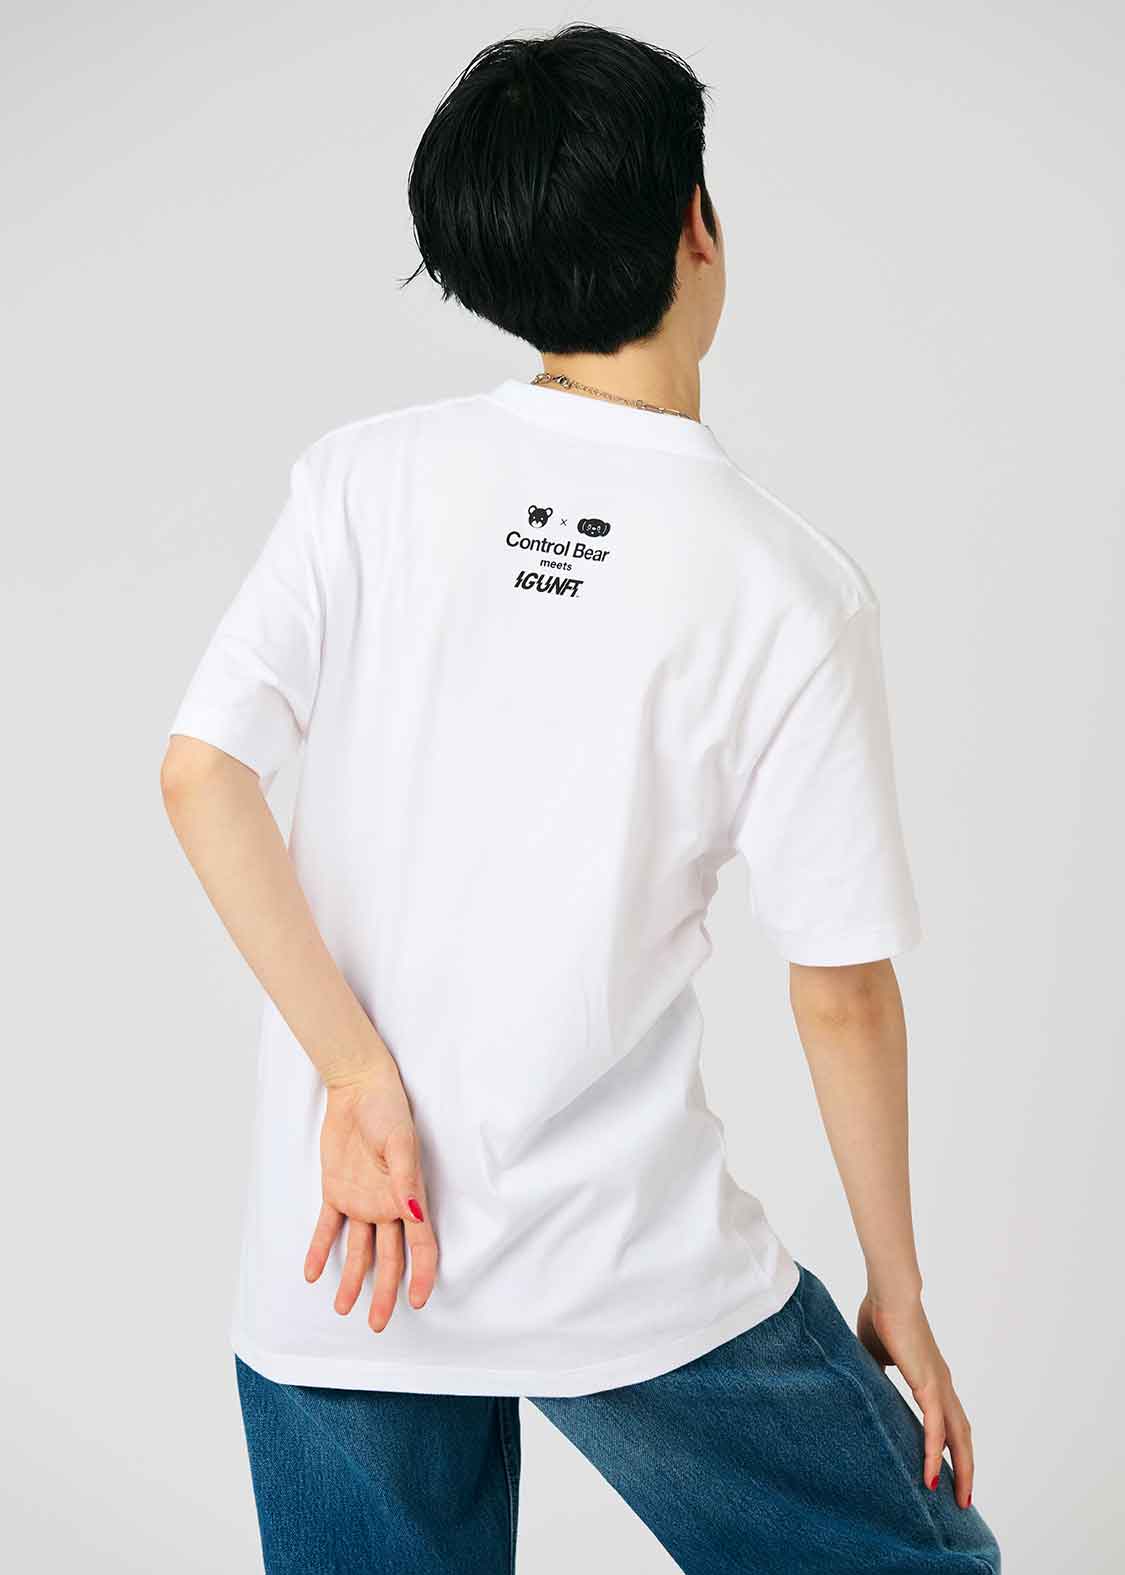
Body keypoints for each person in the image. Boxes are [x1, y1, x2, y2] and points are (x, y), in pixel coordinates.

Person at [160, 23, 1002, 1575]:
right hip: (625, 1262)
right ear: (697, 226)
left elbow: (201, 773)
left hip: (342, 1251)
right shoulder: (784, 585)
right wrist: (897, 1290)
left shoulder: (363, 478)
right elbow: (837, 988)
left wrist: (355, 1077)